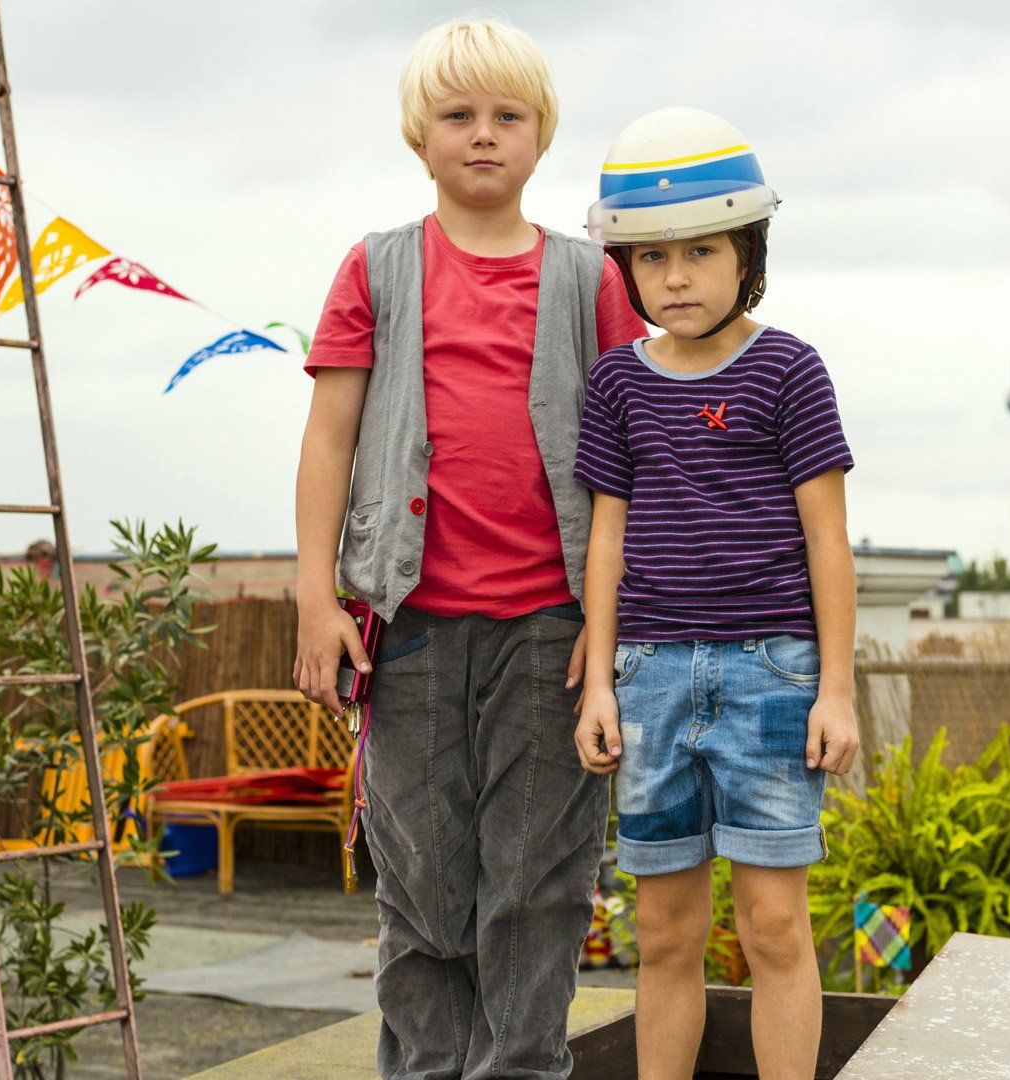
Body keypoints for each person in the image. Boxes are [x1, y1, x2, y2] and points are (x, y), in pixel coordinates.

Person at [290, 17, 644, 1080]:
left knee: (536, 888)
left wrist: (615, 630)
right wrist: (315, 597)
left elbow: (634, 463)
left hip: (553, 636)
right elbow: (330, 439)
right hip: (410, 633)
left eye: (508, 117)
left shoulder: (592, 282)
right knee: (424, 886)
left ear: (541, 139)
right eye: (459, 115)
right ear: (419, 134)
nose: (483, 135)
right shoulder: (378, 268)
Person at [571, 107, 860, 1080]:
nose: (677, 276)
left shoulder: (790, 371)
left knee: (774, 925)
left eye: (701, 250)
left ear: (750, 252)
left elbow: (829, 539)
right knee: (662, 929)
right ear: (628, 271)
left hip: (773, 678)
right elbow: (606, 536)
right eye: (652, 259)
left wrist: (837, 689)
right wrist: (604, 683)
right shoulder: (615, 385)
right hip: (649, 679)